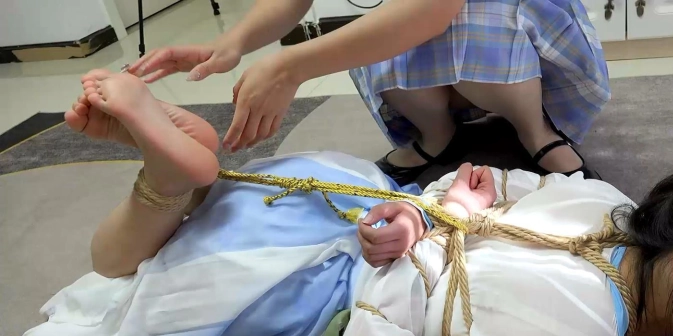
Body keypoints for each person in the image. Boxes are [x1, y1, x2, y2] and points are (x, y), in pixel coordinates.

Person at [15, 70, 673, 336]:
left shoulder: (603, 200)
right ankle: (174, 182)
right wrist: (407, 251)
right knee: (120, 284)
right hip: (306, 293)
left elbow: (484, 183)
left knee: (140, 254)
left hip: (341, 192)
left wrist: (428, 215)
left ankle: (174, 181)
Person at [126, 0, 609, 185]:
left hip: (518, 32)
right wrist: (231, 43)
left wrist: (290, 67)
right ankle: (436, 132)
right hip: (440, 25)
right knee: (375, 36)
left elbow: (434, 9)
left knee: (463, 19)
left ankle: (533, 128)